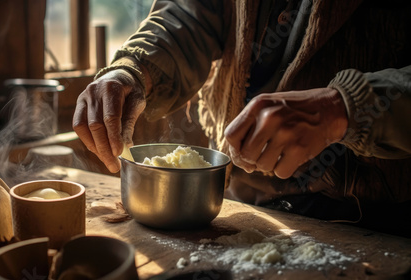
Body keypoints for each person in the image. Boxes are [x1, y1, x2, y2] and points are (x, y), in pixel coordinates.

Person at [73, 0, 411, 236]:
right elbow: (191, 15)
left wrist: (346, 106)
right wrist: (132, 68)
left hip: (375, 215)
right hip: (243, 199)